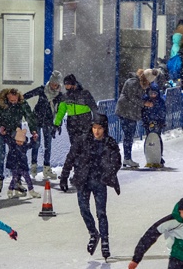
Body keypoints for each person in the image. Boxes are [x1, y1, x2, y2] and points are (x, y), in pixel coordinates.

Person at [59, 113, 121, 259]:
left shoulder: (109, 143)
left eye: (99, 128)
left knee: (101, 213)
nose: (96, 131)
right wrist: (64, 176)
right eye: (94, 127)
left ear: (104, 128)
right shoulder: (82, 141)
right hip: (83, 180)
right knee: (84, 209)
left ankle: (105, 240)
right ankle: (94, 233)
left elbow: (116, 161)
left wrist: (108, 174)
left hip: (99, 182)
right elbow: (70, 157)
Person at [128, 197, 183, 269]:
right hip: (176, 258)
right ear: (180, 211)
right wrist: (136, 259)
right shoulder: (169, 221)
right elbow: (149, 237)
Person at [0, 88, 37, 194]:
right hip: (1, 132)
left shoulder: (22, 104)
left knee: (17, 155)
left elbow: (30, 117)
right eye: (11, 101)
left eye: (15, 100)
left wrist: (33, 130)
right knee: (1, 153)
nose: (14, 103)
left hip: (14, 132)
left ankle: (17, 181)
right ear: (7, 98)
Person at [116, 68, 161, 167]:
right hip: (126, 111)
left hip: (130, 111)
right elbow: (132, 97)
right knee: (128, 135)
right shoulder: (134, 83)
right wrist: (145, 103)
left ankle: (127, 158)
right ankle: (127, 158)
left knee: (129, 135)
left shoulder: (140, 83)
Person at [23, 70, 64, 179]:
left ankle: (46, 168)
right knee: (36, 143)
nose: (53, 86)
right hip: (36, 119)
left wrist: (58, 124)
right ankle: (33, 166)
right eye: (52, 83)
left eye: (56, 84)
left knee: (48, 145)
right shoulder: (42, 90)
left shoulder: (60, 96)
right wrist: (17, 101)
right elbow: (27, 95)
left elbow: (60, 110)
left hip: (49, 121)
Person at [54, 74, 98, 161]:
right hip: (72, 124)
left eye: (68, 84)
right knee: (74, 147)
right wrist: (56, 124)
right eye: (65, 84)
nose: (66, 86)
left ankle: (86, 165)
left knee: (86, 145)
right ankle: (78, 167)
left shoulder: (84, 94)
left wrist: (96, 120)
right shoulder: (65, 97)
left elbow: (94, 107)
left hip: (85, 122)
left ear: (73, 84)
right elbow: (61, 112)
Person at [3, 128, 40, 199]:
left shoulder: (24, 146)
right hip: (15, 166)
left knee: (27, 179)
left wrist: (33, 139)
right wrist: (5, 134)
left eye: (21, 141)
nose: (19, 143)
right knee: (15, 179)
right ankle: (10, 191)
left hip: (22, 166)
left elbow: (30, 145)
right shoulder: (13, 145)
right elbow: (7, 140)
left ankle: (31, 191)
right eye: (18, 141)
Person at [142, 83, 167, 166]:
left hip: (157, 123)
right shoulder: (145, 100)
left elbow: (163, 112)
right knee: (149, 139)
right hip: (148, 122)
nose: (153, 95)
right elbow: (143, 111)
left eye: (155, 93)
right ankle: (149, 155)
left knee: (157, 138)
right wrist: (145, 121)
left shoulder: (160, 101)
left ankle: (159, 155)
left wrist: (161, 121)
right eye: (151, 93)